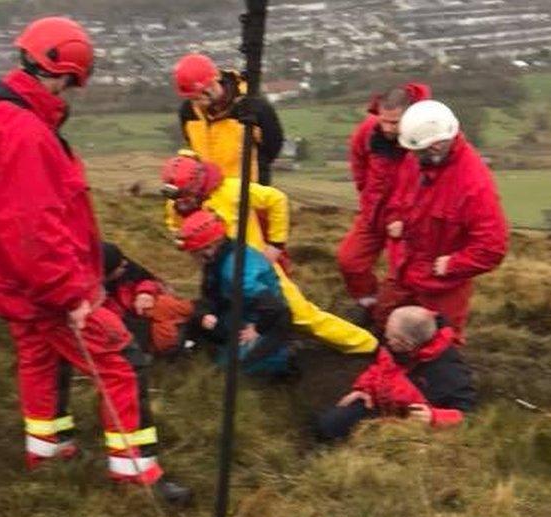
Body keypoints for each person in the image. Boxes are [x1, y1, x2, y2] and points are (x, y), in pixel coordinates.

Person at [0, 16, 189, 502]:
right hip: (46, 282)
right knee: (121, 360)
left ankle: (48, 450)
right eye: (73, 83)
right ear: (63, 73)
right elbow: (33, 228)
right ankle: (135, 472)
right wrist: (72, 294)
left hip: (12, 280)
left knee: (39, 357)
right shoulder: (26, 133)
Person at [160, 151, 378, 355]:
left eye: (185, 194)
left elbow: (276, 200)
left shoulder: (232, 190)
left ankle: (367, 345)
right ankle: (267, 347)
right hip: (217, 271)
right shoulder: (176, 205)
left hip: (255, 268)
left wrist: (275, 244)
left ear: (197, 182)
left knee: (301, 314)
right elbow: (175, 225)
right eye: (177, 197)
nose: (181, 201)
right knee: (226, 314)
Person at [376, 100, 509, 341]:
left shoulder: (474, 185)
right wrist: (395, 217)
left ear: (436, 146)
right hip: (403, 270)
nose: (412, 157)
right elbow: (398, 193)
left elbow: (492, 247)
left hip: (440, 287)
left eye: (417, 152)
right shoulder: (417, 156)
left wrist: (453, 264)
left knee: (438, 346)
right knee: (386, 326)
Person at [337, 83, 431, 317]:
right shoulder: (368, 131)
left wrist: (407, 220)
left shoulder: (427, 138)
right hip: (374, 214)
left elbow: (431, 185)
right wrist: (367, 197)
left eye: (395, 122)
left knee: (402, 277)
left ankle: (399, 320)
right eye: (384, 120)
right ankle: (368, 304)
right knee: (350, 261)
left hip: (408, 224)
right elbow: (359, 164)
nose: (388, 128)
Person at [317, 306, 476, 441]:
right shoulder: (395, 349)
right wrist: (362, 389)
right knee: (328, 426)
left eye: (391, 336)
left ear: (407, 344)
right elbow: (380, 368)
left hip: (411, 426)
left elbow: (466, 415)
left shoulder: (449, 372)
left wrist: (434, 417)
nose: (385, 337)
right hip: (380, 404)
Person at [177, 211, 293, 376]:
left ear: (210, 247)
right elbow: (210, 295)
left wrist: (258, 330)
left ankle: (283, 361)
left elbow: (274, 307)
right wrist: (205, 314)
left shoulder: (235, 272)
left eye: (194, 252)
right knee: (196, 321)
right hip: (241, 310)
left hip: (270, 320)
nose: (191, 257)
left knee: (230, 371)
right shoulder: (217, 258)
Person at [173, 52, 283, 186]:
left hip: (249, 194)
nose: (198, 102)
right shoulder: (188, 112)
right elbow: (193, 146)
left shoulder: (253, 107)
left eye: (200, 95)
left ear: (214, 80)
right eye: (193, 98)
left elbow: (273, 145)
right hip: (210, 195)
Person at [102, 241, 196, 357]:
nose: (125, 263)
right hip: (133, 329)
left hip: (143, 305)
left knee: (170, 306)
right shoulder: (94, 297)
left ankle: (195, 320)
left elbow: (146, 278)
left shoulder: (122, 267)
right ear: (107, 274)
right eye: (120, 265)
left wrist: (144, 293)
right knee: (165, 335)